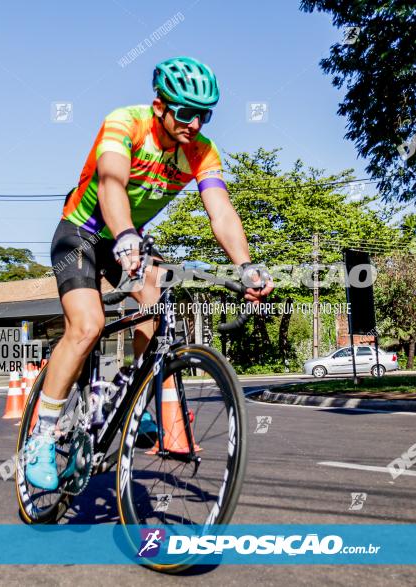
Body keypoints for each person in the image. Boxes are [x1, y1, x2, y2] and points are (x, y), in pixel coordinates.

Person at [25, 56, 274, 490]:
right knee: (88, 326)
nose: (195, 124)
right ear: (160, 105)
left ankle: (132, 397)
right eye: (185, 113)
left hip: (130, 236)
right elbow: (111, 184)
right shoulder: (126, 122)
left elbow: (221, 212)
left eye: (204, 115)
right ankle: (41, 436)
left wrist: (246, 266)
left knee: (156, 299)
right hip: (82, 234)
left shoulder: (201, 151)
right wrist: (123, 235)